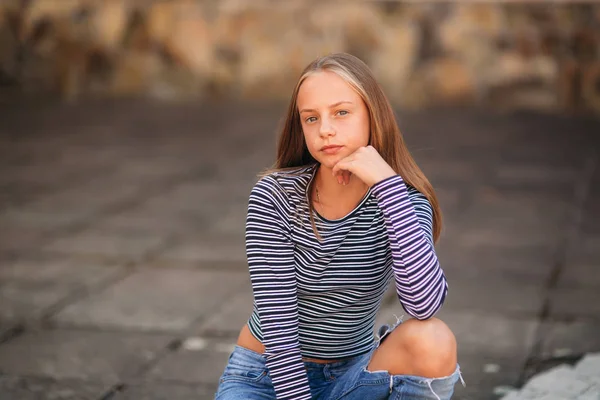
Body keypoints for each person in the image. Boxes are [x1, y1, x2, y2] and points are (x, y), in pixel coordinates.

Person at [215, 52, 465, 400]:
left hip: (354, 378)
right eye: (311, 118)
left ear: (372, 115)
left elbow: (423, 305)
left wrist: (389, 188)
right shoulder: (274, 195)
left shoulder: (404, 202)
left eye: (341, 112)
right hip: (267, 377)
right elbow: (278, 320)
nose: (325, 129)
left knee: (432, 339)